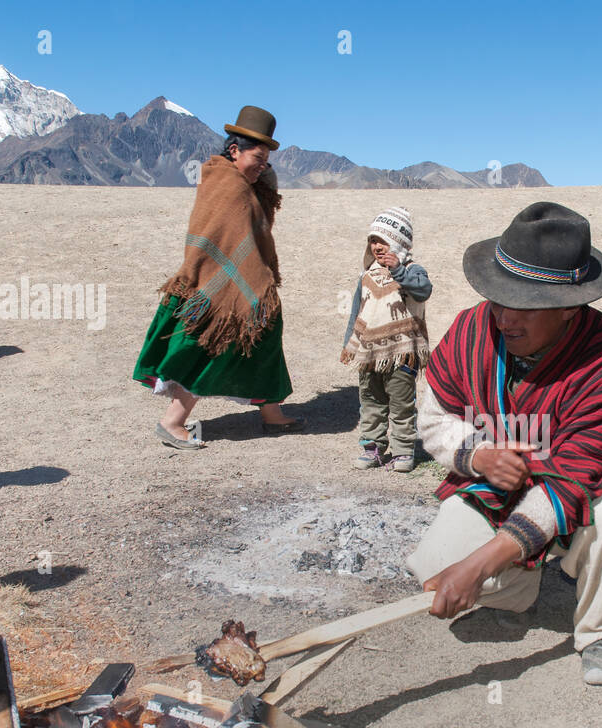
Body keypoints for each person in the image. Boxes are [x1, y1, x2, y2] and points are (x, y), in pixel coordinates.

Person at [405, 202, 602, 686]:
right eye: (497, 298)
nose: (503, 318)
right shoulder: (471, 329)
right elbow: (435, 418)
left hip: (587, 489)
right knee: (436, 567)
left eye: (523, 304)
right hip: (501, 489)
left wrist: (479, 566)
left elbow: (568, 486)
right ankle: (519, 593)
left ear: (570, 307)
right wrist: (478, 455)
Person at [133, 105, 303, 449]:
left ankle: (271, 412)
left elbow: (255, 225)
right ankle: (173, 421)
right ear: (235, 149)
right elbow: (222, 236)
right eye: (258, 156)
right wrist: (241, 282)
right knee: (214, 345)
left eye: (267, 159)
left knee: (265, 336)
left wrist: (262, 183)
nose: (263, 165)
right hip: (217, 285)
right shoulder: (228, 183)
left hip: (236, 278)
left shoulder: (240, 180)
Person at [340, 207, 433, 472]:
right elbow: (357, 310)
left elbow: (424, 291)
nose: (378, 246)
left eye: (384, 240)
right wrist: (350, 343)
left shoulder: (413, 271)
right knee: (370, 400)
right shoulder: (367, 275)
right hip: (370, 353)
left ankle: (404, 451)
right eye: (373, 240)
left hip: (402, 351)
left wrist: (399, 271)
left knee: (402, 402)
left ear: (400, 242)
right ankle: (373, 448)